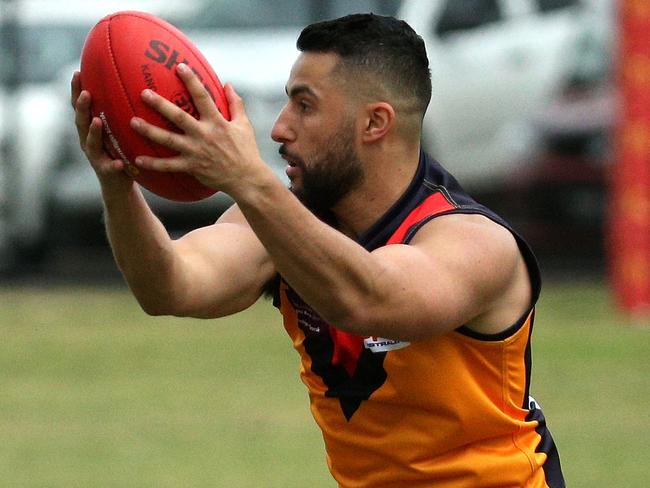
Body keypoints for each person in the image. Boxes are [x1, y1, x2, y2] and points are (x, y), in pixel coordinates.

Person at [71, 13, 565, 488]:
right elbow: (170, 287)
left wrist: (248, 179)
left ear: (375, 123)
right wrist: (118, 185)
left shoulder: (473, 240)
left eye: (304, 106)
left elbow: (369, 300)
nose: (279, 129)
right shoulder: (280, 221)